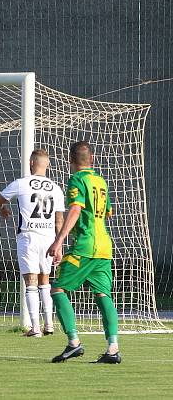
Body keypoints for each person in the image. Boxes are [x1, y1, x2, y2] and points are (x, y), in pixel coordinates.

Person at [47, 141, 121, 363]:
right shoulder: (100, 181)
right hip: (105, 246)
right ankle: (113, 348)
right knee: (102, 294)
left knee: (57, 289)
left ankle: (74, 343)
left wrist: (59, 241)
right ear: (92, 159)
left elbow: (76, 208)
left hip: (85, 245)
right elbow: (108, 213)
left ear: (70, 160)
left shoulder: (77, 179)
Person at [0, 149, 65, 337]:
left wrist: (2, 209)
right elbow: (59, 220)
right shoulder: (56, 188)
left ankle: (35, 328)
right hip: (49, 238)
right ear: (47, 165)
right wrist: (60, 244)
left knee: (30, 282)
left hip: (29, 236)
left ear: (31, 163)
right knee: (45, 281)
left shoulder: (21, 183)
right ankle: (49, 324)